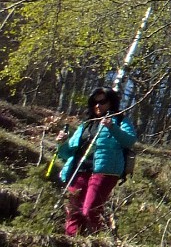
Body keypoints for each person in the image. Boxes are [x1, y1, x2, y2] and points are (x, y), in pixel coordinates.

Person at [56, 87, 138, 237]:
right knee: (73, 211)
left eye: (103, 102)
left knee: (90, 210)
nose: (98, 106)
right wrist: (62, 143)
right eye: (95, 102)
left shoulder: (120, 120)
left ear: (111, 103)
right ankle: (72, 243)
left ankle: (97, 242)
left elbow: (130, 141)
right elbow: (67, 153)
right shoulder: (86, 124)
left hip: (105, 171)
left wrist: (112, 127)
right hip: (79, 171)